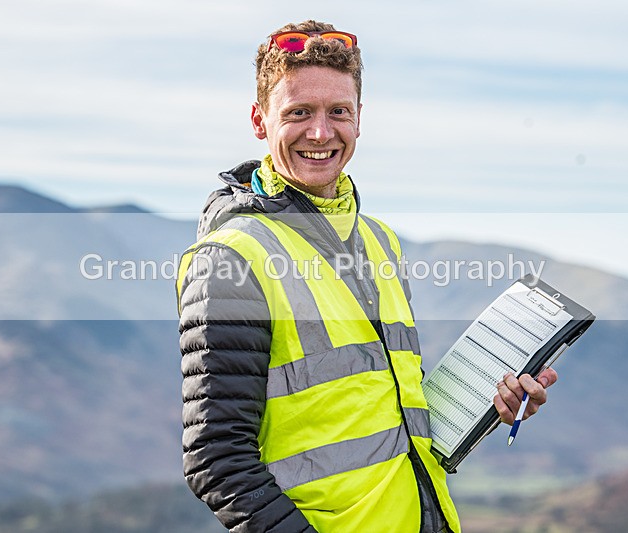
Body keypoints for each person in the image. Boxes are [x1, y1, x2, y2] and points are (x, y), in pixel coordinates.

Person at [175, 20, 557, 533]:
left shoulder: (379, 241)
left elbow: (386, 408)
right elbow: (217, 460)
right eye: (298, 112)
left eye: (338, 111)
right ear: (259, 121)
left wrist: (490, 405)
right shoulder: (231, 257)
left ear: (359, 119)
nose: (320, 132)